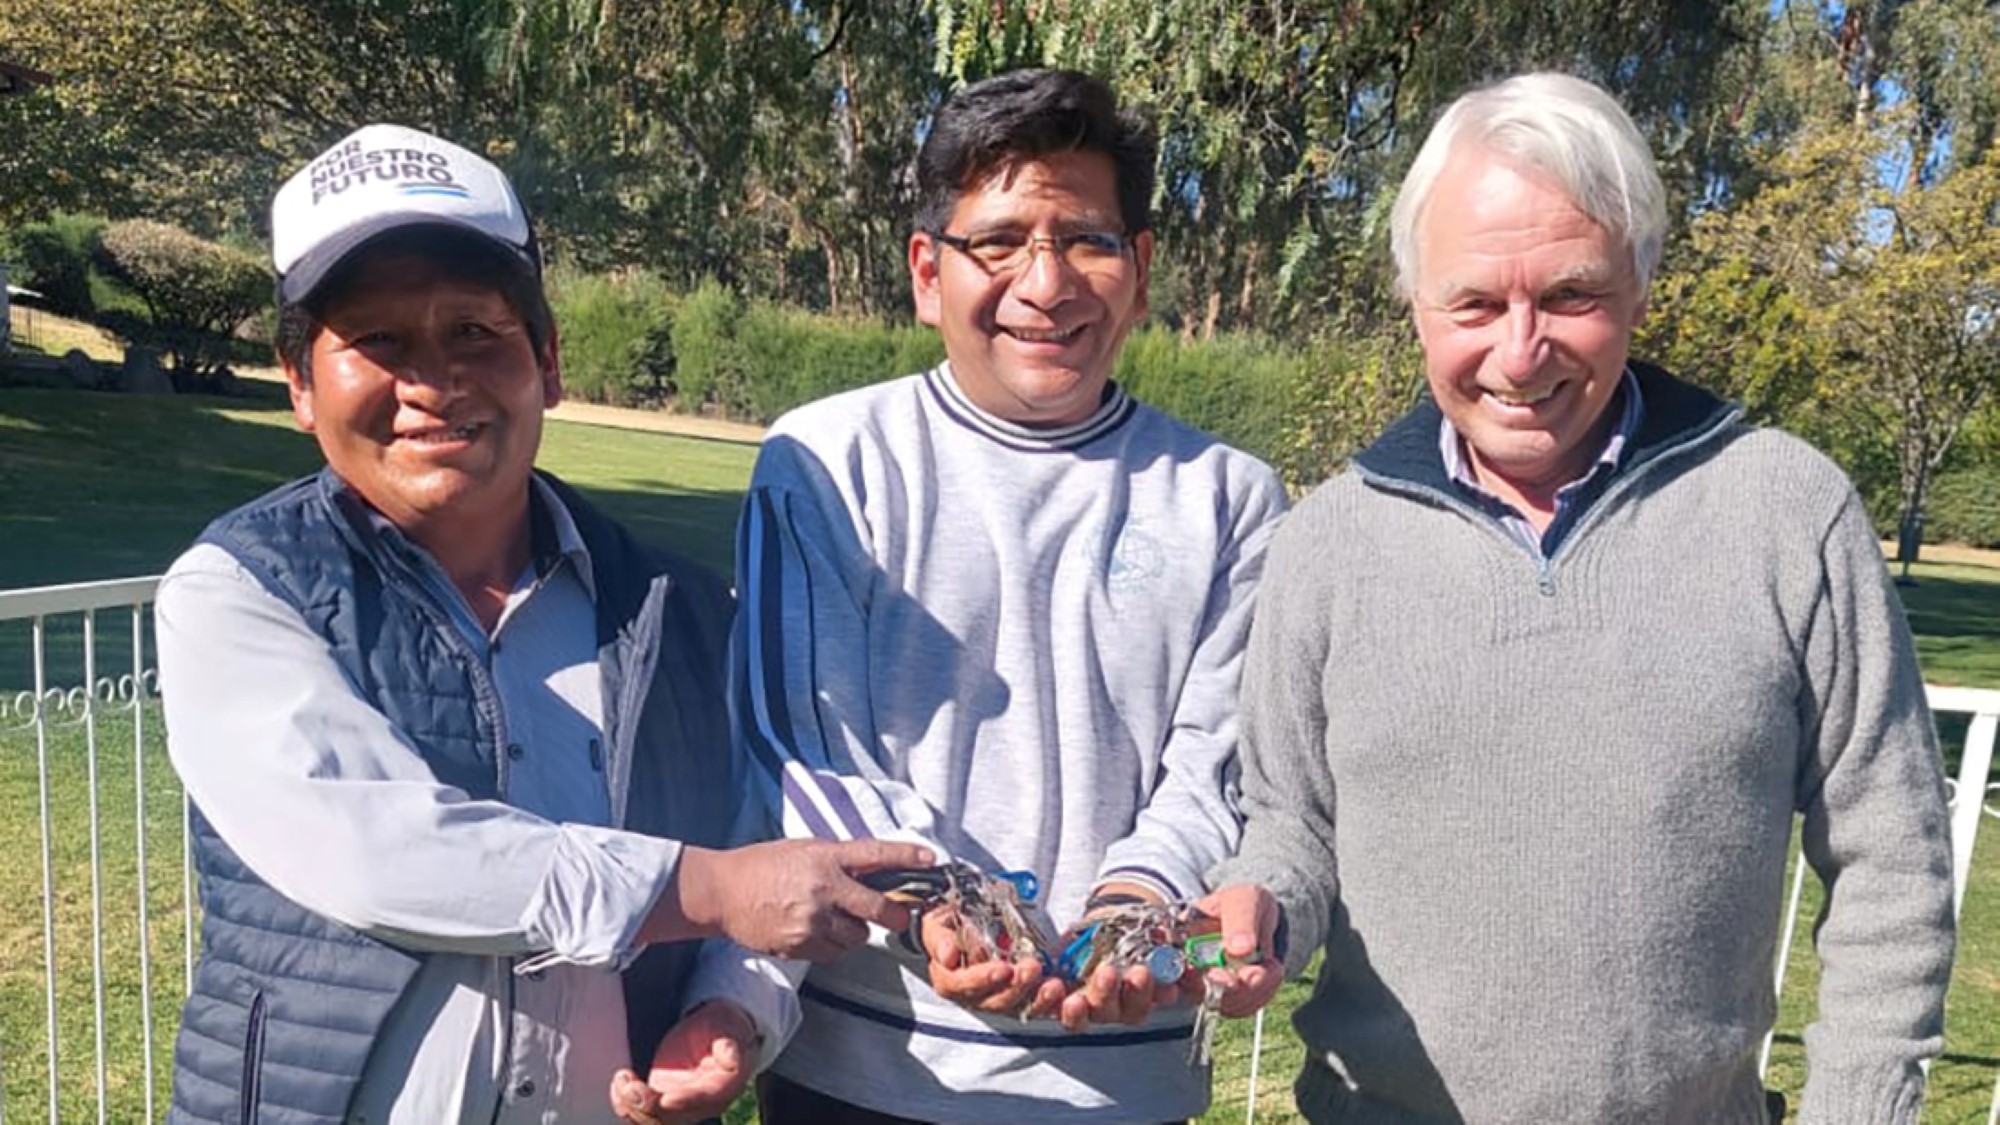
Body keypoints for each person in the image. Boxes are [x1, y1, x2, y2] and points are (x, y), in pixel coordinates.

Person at [1210, 72, 1958, 1122]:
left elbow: (1891, 856)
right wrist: (1257, 917)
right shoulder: (1327, 541)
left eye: (1568, 295)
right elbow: (1288, 825)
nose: (1519, 353)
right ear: (1414, 305)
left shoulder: (1786, 511)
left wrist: (1860, 1106)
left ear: (1639, 286)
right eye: (1472, 303)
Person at [156, 123, 932, 1125]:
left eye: (475, 331)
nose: (434, 382)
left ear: (549, 361)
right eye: (376, 341)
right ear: (300, 381)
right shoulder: (238, 593)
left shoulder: (678, 610)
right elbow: (379, 848)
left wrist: (731, 1007)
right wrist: (700, 887)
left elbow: (760, 848)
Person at [681, 69, 1290, 1125]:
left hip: (1124, 1078)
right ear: (927, 271)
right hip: (871, 1073)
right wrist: (949, 901)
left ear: (1139, 271)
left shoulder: (1229, 497)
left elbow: (1216, 767)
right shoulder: (827, 460)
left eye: (1087, 240)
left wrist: (1134, 908)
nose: (1045, 284)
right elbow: (798, 746)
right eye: (998, 241)